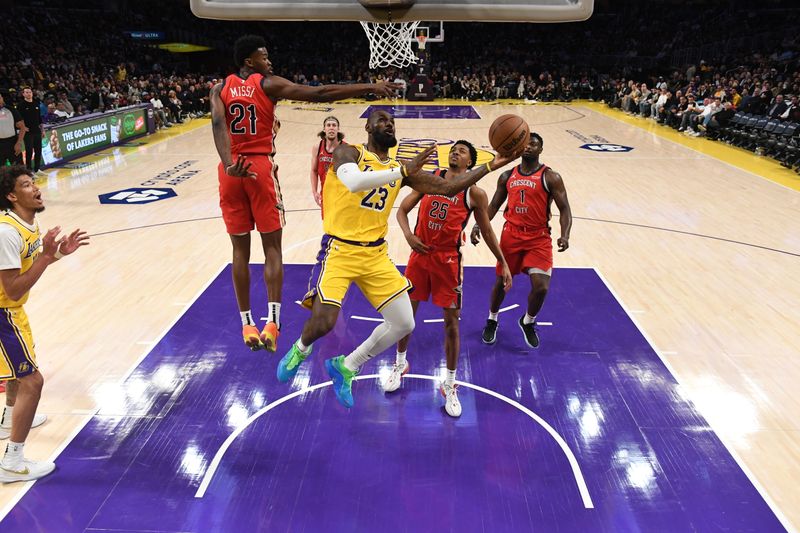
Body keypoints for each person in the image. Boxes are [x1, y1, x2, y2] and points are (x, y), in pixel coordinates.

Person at [276, 110, 523, 409]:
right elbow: (354, 182)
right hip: (340, 249)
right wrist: (403, 173)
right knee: (325, 322)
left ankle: (347, 366)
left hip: (376, 254)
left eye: (391, 121)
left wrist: (491, 165)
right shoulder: (348, 151)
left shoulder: (399, 168)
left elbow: (448, 188)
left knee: (404, 322)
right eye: (381, 120)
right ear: (367, 126)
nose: (388, 123)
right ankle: (300, 350)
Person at [210, 35, 400, 353]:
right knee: (272, 249)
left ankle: (246, 324)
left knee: (239, 252)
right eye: (263, 56)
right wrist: (370, 87)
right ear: (248, 62)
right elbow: (320, 93)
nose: (268, 61)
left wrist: (230, 164)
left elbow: (218, 124)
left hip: (230, 172)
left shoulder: (219, 88)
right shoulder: (267, 83)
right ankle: (272, 323)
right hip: (258, 169)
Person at [387, 140, 513, 417]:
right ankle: (399, 364)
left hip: (448, 261)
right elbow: (402, 210)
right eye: (453, 149)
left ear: (470, 162)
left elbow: (488, 231)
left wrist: (502, 261)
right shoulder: (432, 179)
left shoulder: (474, 193)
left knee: (451, 323)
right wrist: (409, 236)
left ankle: (450, 383)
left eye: (462, 151)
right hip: (419, 258)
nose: (455, 152)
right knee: (405, 315)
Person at [0, 165, 89, 482]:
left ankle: (9, 419)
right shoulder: (6, 232)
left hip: (11, 310)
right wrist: (46, 258)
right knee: (32, 382)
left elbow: (32, 265)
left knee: (20, 372)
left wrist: (57, 254)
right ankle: (12, 462)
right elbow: (13, 287)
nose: (36, 187)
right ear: (12, 196)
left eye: (34, 182)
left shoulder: (27, 223)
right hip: (2, 311)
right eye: (26, 184)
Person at [470, 132, 572, 349]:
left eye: (534, 144)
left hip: (539, 237)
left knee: (541, 287)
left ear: (540, 150)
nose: (529, 147)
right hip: (512, 235)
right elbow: (494, 205)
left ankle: (528, 321)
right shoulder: (507, 176)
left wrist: (565, 234)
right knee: (501, 282)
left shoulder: (551, 177)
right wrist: (480, 224)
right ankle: (492, 319)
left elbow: (565, 209)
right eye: (526, 144)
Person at [309, 116, 344, 219]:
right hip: (325, 193)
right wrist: (314, 191)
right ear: (324, 129)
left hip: (341, 194)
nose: (331, 128)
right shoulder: (317, 147)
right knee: (327, 225)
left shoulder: (345, 149)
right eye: (328, 125)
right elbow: (313, 171)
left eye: (334, 125)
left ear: (338, 129)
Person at [19, 88, 43, 174]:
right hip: (28, 132)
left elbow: (39, 119)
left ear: (32, 93)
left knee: (38, 151)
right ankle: (29, 171)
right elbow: (18, 118)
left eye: (30, 92)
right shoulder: (21, 105)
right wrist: (23, 127)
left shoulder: (36, 104)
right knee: (29, 151)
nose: (29, 94)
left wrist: (42, 130)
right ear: (23, 94)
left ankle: (37, 169)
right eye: (26, 92)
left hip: (37, 131)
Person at [0, 93, 25, 166]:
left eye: (0, 98)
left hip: (12, 142)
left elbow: (22, 127)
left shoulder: (10, 110)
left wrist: (19, 143)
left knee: (19, 169)